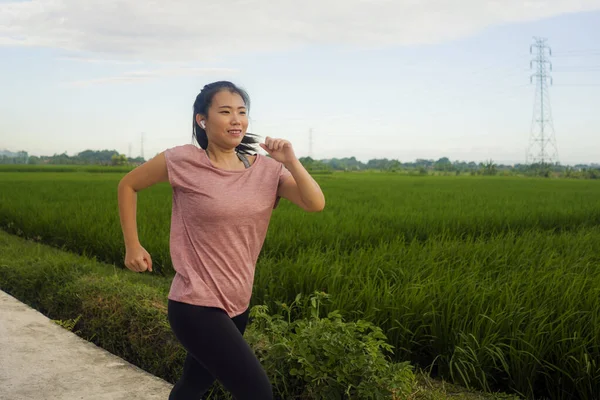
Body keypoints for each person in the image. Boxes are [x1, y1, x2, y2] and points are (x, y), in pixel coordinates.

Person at [117, 81, 326, 399]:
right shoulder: (183, 161)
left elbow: (315, 203)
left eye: (242, 112)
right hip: (194, 302)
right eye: (225, 112)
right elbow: (128, 185)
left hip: (238, 300)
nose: (236, 120)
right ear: (202, 120)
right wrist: (133, 244)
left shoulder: (267, 171)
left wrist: (291, 161)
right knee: (257, 392)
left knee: (194, 384)